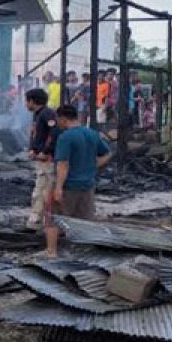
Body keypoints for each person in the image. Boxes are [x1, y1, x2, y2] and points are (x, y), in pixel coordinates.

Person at [44, 105, 111, 257]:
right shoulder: (92, 133)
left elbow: (63, 164)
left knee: (53, 218)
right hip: (87, 185)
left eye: (58, 119)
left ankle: (51, 252)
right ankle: (82, 253)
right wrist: (93, 166)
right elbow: (107, 153)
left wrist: (58, 188)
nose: (57, 123)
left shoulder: (65, 137)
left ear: (63, 119)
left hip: (69, 185)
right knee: (84, 220)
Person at [23, 88, 58, 230]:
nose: (25, 104)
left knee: (42, 190)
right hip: (41, 159)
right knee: (42, 188)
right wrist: (33, 149)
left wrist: (45, 151)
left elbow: (54, 132)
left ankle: (36, 222)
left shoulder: (47, 113)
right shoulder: (38, 115)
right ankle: (41, 220)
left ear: (32, 101)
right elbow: (35, 134)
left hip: (47, 160)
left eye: (26, 101)